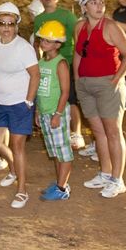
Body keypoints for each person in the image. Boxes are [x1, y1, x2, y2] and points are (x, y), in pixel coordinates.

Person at [73, 0, 126, 198]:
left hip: (108, 83)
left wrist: (117, 79)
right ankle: (105, 173)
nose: (99, 7)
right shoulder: (79, 27)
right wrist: (77, 78)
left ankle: (118, 179)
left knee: (113, 132)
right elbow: (79, 53)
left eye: (101, 2)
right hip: (86, 85)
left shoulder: (110, 27)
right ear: (84, 7)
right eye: (93, 2)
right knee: (98, 132)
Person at [0, 2, 40, 208]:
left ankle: (22, 189)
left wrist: (29, 101)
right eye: (2, 23)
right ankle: (15, 170)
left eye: (10, 23)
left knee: (18, 146)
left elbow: (35, 75)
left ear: (16, 25)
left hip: (19, 103)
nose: (6, 27)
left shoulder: (23, 47)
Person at [33, 0, 86, 153]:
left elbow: (77, 38)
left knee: (70, 98)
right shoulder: (39, 19)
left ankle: (76, 133)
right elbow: (37, 42)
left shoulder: (67, 16)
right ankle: (56, 127)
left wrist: (79, 61)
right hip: (47, 63)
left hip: (67, 61)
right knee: (50, 94)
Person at [34, 20, 73, 201]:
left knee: (63, 152)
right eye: (42, 39)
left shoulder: (61, 63)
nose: (44, 43)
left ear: (58, 44)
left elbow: (65, 92)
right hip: (45, 113)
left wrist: (57, 114)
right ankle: (60, 182)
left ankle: (61, 188)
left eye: (48, 41)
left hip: (57, 113)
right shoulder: (42, 62)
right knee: (55, 151)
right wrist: (38, 112)